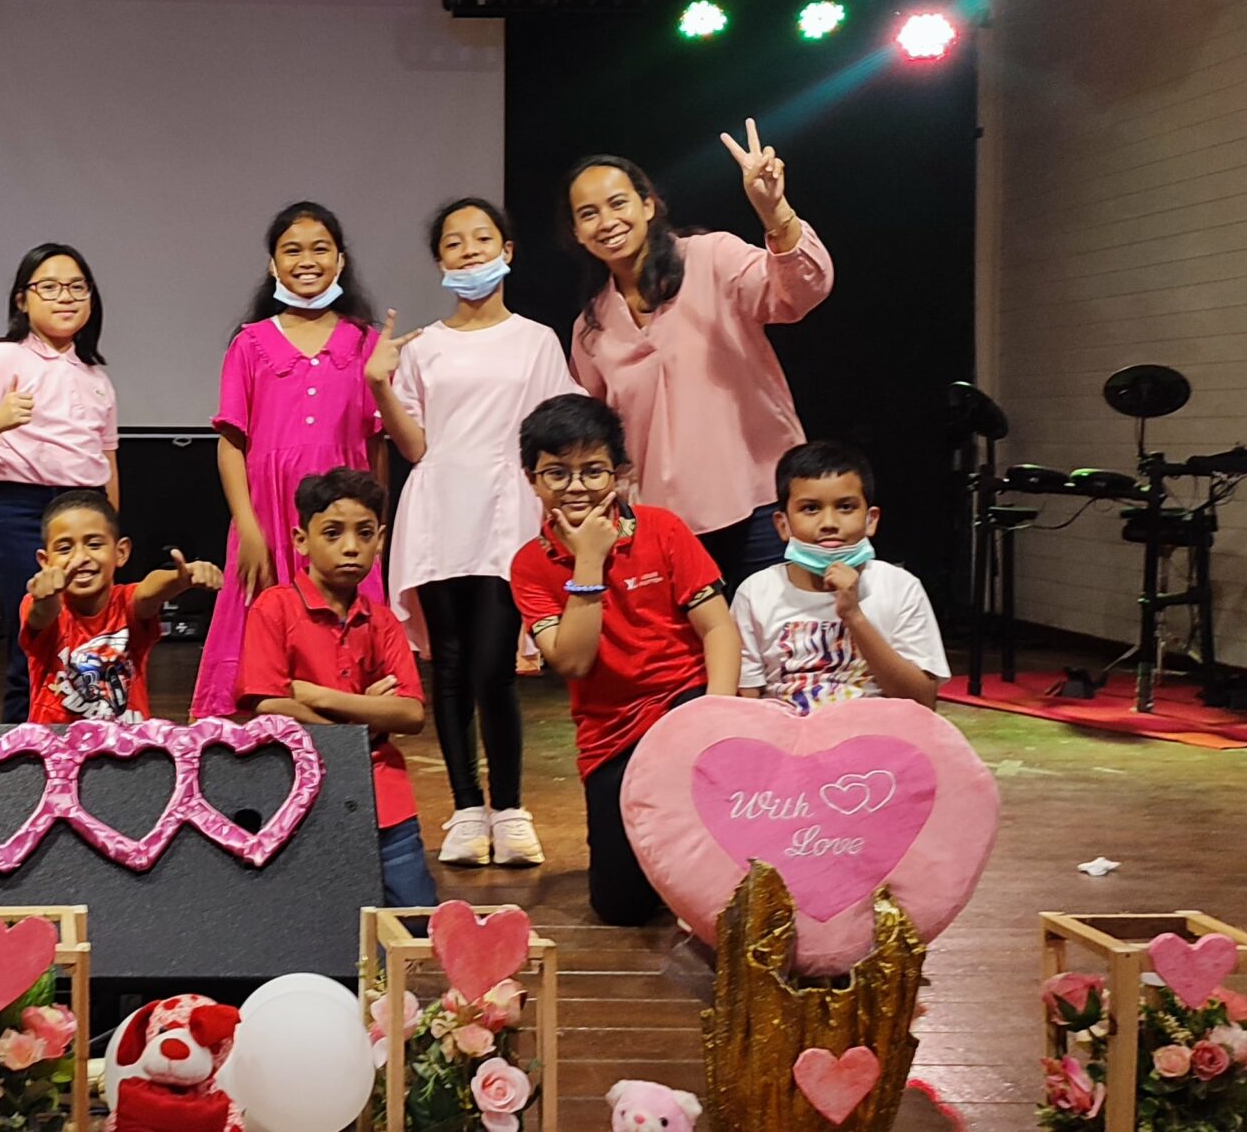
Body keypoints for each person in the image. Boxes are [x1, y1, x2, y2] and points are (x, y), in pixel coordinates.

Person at [369, 197, 578, 870]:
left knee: (494, 667)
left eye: (481, 239)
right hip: (438, 511)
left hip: (507, 511)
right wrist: (380, 384)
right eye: (454, 243)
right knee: (453, 665)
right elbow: (414, 445)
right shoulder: (423, 345)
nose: (468, 252)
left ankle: (509, 809)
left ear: (507, 250)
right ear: (439, 260)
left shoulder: (536, 340)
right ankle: (466, 810)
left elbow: (555, 428)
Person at [561, 120, 833, 595]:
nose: (607, 221)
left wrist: (775, 212)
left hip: (760, 500)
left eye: (618, 203)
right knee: (691, 643)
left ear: (648, 205)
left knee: (776, 631)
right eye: (589, 214)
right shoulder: (591, 329)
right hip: (664, 523)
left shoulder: (711, 258)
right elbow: (598, 437)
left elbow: (799, 292)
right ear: (578, 233)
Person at [508, 395, 743, 927]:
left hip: (684, 707)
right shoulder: (529, 565)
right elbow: (573, 662)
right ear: (532, 480)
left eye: (593, 471)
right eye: (557, 473)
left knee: (719, 873)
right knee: (620, 908)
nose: (576, 486)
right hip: (611, 736)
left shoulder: (663, 529)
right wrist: (589, 560)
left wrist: (717, 718)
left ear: (619, 474)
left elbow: (718, 628)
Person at [192, 202, 386, 719]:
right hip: (269, 517)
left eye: (320, 248)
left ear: (340, 260)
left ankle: (347, 740)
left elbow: (376, 446)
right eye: (292, 250)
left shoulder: (365, 343)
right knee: (261, 638)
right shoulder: (250, 344)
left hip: (345, 520)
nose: (307, 260)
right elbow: (231, 441)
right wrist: (247, 527)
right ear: (273, 264)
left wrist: (376, 528)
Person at [236, 468, 436, 908]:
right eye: (332, 533)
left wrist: (317, 696)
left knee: (416, 916)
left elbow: (410, 714)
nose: (350, 547)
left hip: (383, 790)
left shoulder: (382, 620)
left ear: (380, 540)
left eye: (364, 534)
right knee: (316, 914)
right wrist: (366, 715)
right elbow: (270, 705)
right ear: (301, 540)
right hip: (296, 788)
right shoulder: (275, 608)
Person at [0, 243, 119, 722]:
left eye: (77, 287)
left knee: (93, 645)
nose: (66, 297)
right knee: (32, 648)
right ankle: (24, 758)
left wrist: (111, 530)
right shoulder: (2, 358)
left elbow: (107, 460)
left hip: (89, 512)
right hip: (25, 513)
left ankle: (91, 748)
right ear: (22, 299)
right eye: (50, 287)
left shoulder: (96, 375)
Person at [734, 443, 946, 711]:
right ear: (783, 524)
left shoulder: (899, 587)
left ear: (871, 520)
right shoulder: (755, 593)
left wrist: (854, 616)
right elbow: (747, 701)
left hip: (875, 730)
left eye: (845, 507)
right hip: (787, 730)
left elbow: (922, 701)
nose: (829, 523)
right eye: (810, 509)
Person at [22, 489, 224, 724]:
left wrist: (179, 580)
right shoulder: (40, 605)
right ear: (45, 561)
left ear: (121, 552)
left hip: (127, 744)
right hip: (57, 744)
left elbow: (149, 590)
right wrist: (45, 596)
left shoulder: (125, 604)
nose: (80, 558)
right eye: (65, 549)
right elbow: (42, 615)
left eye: (94, 544)